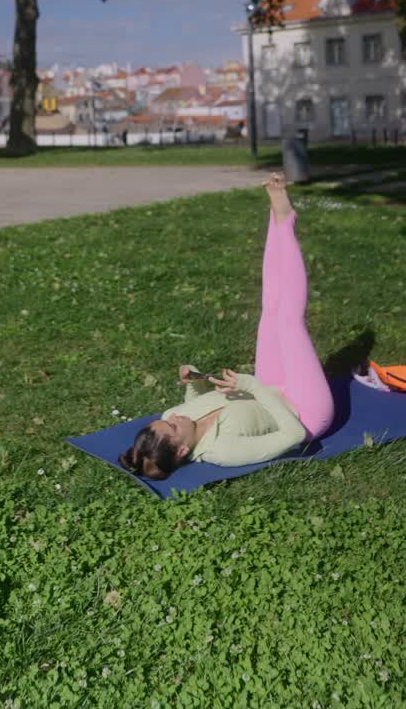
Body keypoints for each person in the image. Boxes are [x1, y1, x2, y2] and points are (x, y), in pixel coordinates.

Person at [119, 172, 335, 480]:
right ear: (182, 451)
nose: (174, 415)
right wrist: (250, 386)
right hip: (303, 410)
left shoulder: (173, 418)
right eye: (173, 426)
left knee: (271, 311)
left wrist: (193, 379)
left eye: (165, 420)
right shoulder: (223, 452)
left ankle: (278, 217)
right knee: (289, 322)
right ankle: (285, 220)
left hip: (265, 388)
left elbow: (195, 405)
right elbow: (294, 435)